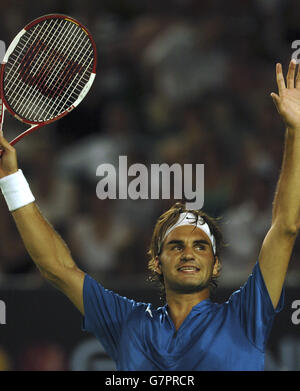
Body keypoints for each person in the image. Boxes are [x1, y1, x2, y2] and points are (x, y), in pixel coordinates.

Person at [0, 60, 299, 371]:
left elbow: (285, 227)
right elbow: (56, 267)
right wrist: (10, 177)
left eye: (200, 246)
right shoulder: (126, 322)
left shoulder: (245, 316)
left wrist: (295, 131)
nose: (188, 253)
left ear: (216, 264)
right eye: (175, 245)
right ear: (157, 262)